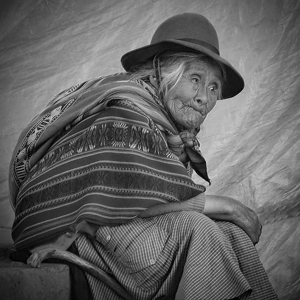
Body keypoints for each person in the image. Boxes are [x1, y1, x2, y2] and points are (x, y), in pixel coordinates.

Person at [9, 13, 278, 300]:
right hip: (81, 231)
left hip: (124, 228)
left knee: (231, 234)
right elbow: (136, 198)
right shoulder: (125, 113)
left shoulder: (166, 127)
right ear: (159, 74)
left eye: (213, 87)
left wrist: (227, 216)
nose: (204, 98)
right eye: (195, 79)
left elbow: (154, 199)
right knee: (202, 229)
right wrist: (230, 207)